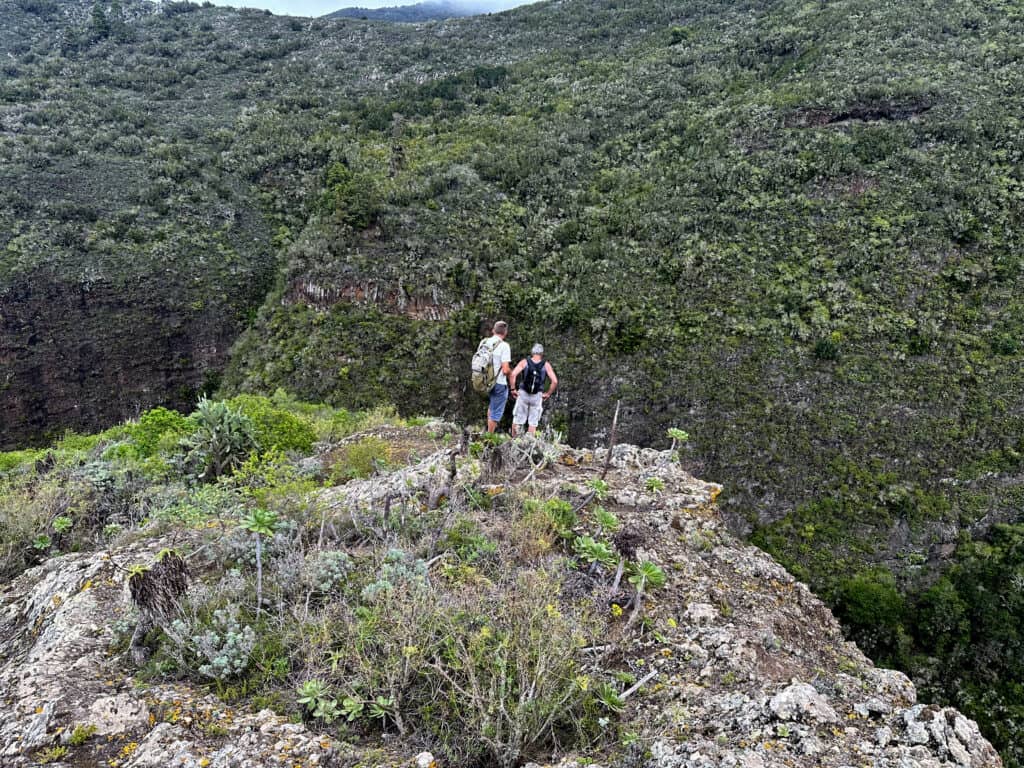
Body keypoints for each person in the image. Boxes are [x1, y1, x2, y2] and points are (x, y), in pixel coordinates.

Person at [509, 343, 558, 437]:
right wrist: (548, 393)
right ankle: (529, 443)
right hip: (537, 396)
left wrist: (513, 389)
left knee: (518, 419)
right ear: (542, 353)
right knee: (533, 422)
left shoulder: (524, 362)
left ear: (532, 352)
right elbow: (555, 381)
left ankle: (514, 441)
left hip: (523, 393)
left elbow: (513, 374)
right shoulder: (546, 365)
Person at [485, 320, 512, 433]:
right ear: (505, 333)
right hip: (499, 382)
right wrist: (512, 373)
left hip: (485, 381)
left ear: (493, 331)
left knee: (492, 406)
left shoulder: (485, 342)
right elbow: (505, 369)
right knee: (496, 411)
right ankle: (489, 438)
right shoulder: (504, 346)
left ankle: (488, 433)